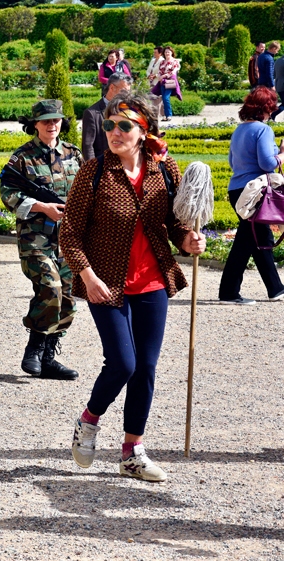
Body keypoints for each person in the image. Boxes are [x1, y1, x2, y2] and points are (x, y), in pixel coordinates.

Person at [61, 91, 206, 482]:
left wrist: (189, 241)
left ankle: (132, 452)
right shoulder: (92, 173)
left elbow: (176, 224)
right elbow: (69, 232)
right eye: (109, 125)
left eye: (124, 125)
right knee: (122, 363)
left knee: (145, 368)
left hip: (152, 282)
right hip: (104, 282)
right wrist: (87, 276)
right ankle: (89, 420)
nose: (114, 132)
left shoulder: (164, 169)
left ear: (144, 131)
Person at [0, 100, 81, 380]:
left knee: (69, 297)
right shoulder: (22, 157)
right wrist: (42, 207)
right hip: (36, 237)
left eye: (56, 120)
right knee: (50, 288)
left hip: (68, 238)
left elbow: (87, 192)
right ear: (34, 124)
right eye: (45, 120)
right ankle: (34, 347)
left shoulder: (73, 154)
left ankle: (48, 356)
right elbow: (8, 194)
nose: (52, 125)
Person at [218, 87, 284, 304]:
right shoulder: (263, 130)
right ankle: (228, 292)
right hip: (255, 191)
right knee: (249, 239)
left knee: (258, 238)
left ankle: (276, 289)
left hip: (237, 189)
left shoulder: (240, 129)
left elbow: (231, 162)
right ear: (266, 109)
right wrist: (281, 156)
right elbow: (267, 162)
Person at [82, 73, 133, 161]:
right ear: (112, 88)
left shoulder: (130, 110)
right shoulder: (92, 113)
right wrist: (93, 169)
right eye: (124, 91)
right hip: (104, 166)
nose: (127, 95)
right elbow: (88, 146)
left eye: (129, 91)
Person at [156, 47, 181, 122]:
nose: (167, 53)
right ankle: (166, 115)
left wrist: (164, 75)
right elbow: (160, 70)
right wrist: (159, 76)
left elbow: (173, 71)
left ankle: (169, 115)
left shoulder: (175, 61)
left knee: (166, 98)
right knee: (163, 98)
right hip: (162, 82)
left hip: (170, 81)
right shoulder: (162, 62)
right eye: (166, 52)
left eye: (168, 52)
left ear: (171, 53)